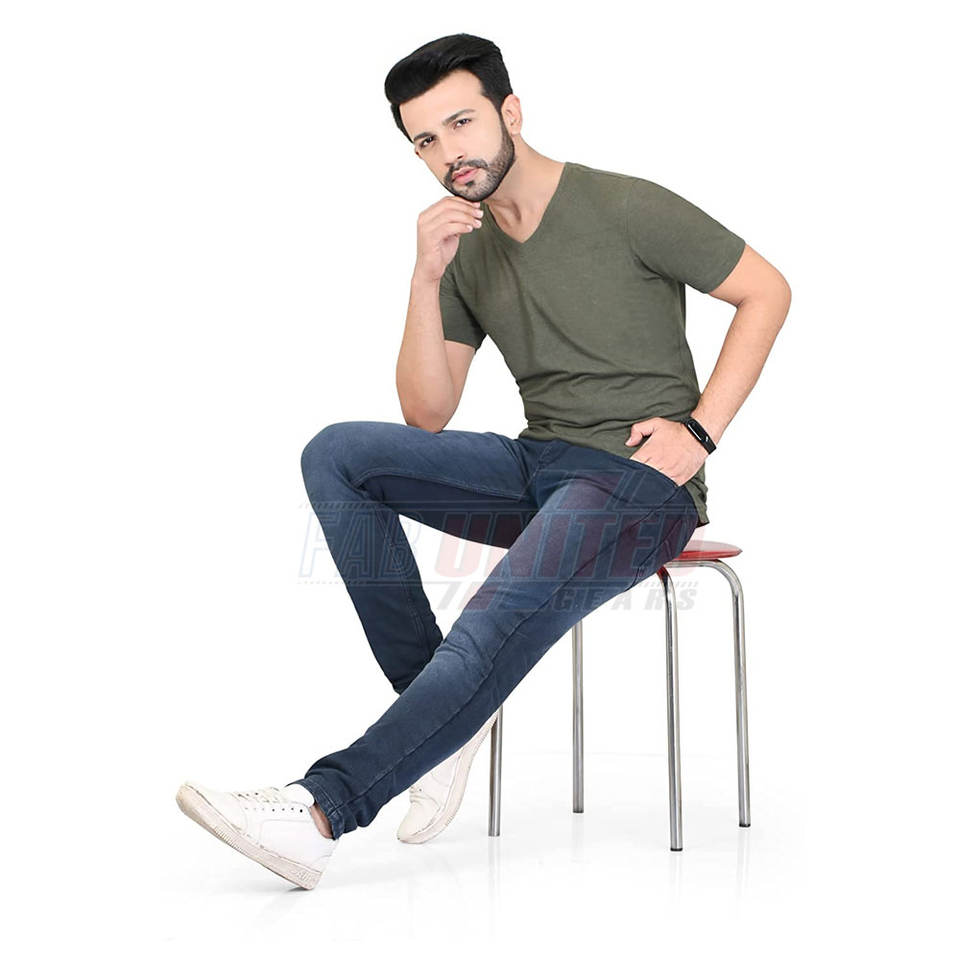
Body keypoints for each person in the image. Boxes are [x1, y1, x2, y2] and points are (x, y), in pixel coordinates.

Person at [176, 33, 791, 890]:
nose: (449, 153)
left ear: (511, 111)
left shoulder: (625, 205)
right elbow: (427, 413)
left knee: (488, 623)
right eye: (426, 140)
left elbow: (767, 289)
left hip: (638, 483)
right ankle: (437, 713)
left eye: (462, 123)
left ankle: (320, 812)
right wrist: (425, 278)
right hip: (540, 465)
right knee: (339, 455)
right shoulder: (466, 249)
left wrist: (702, 431)